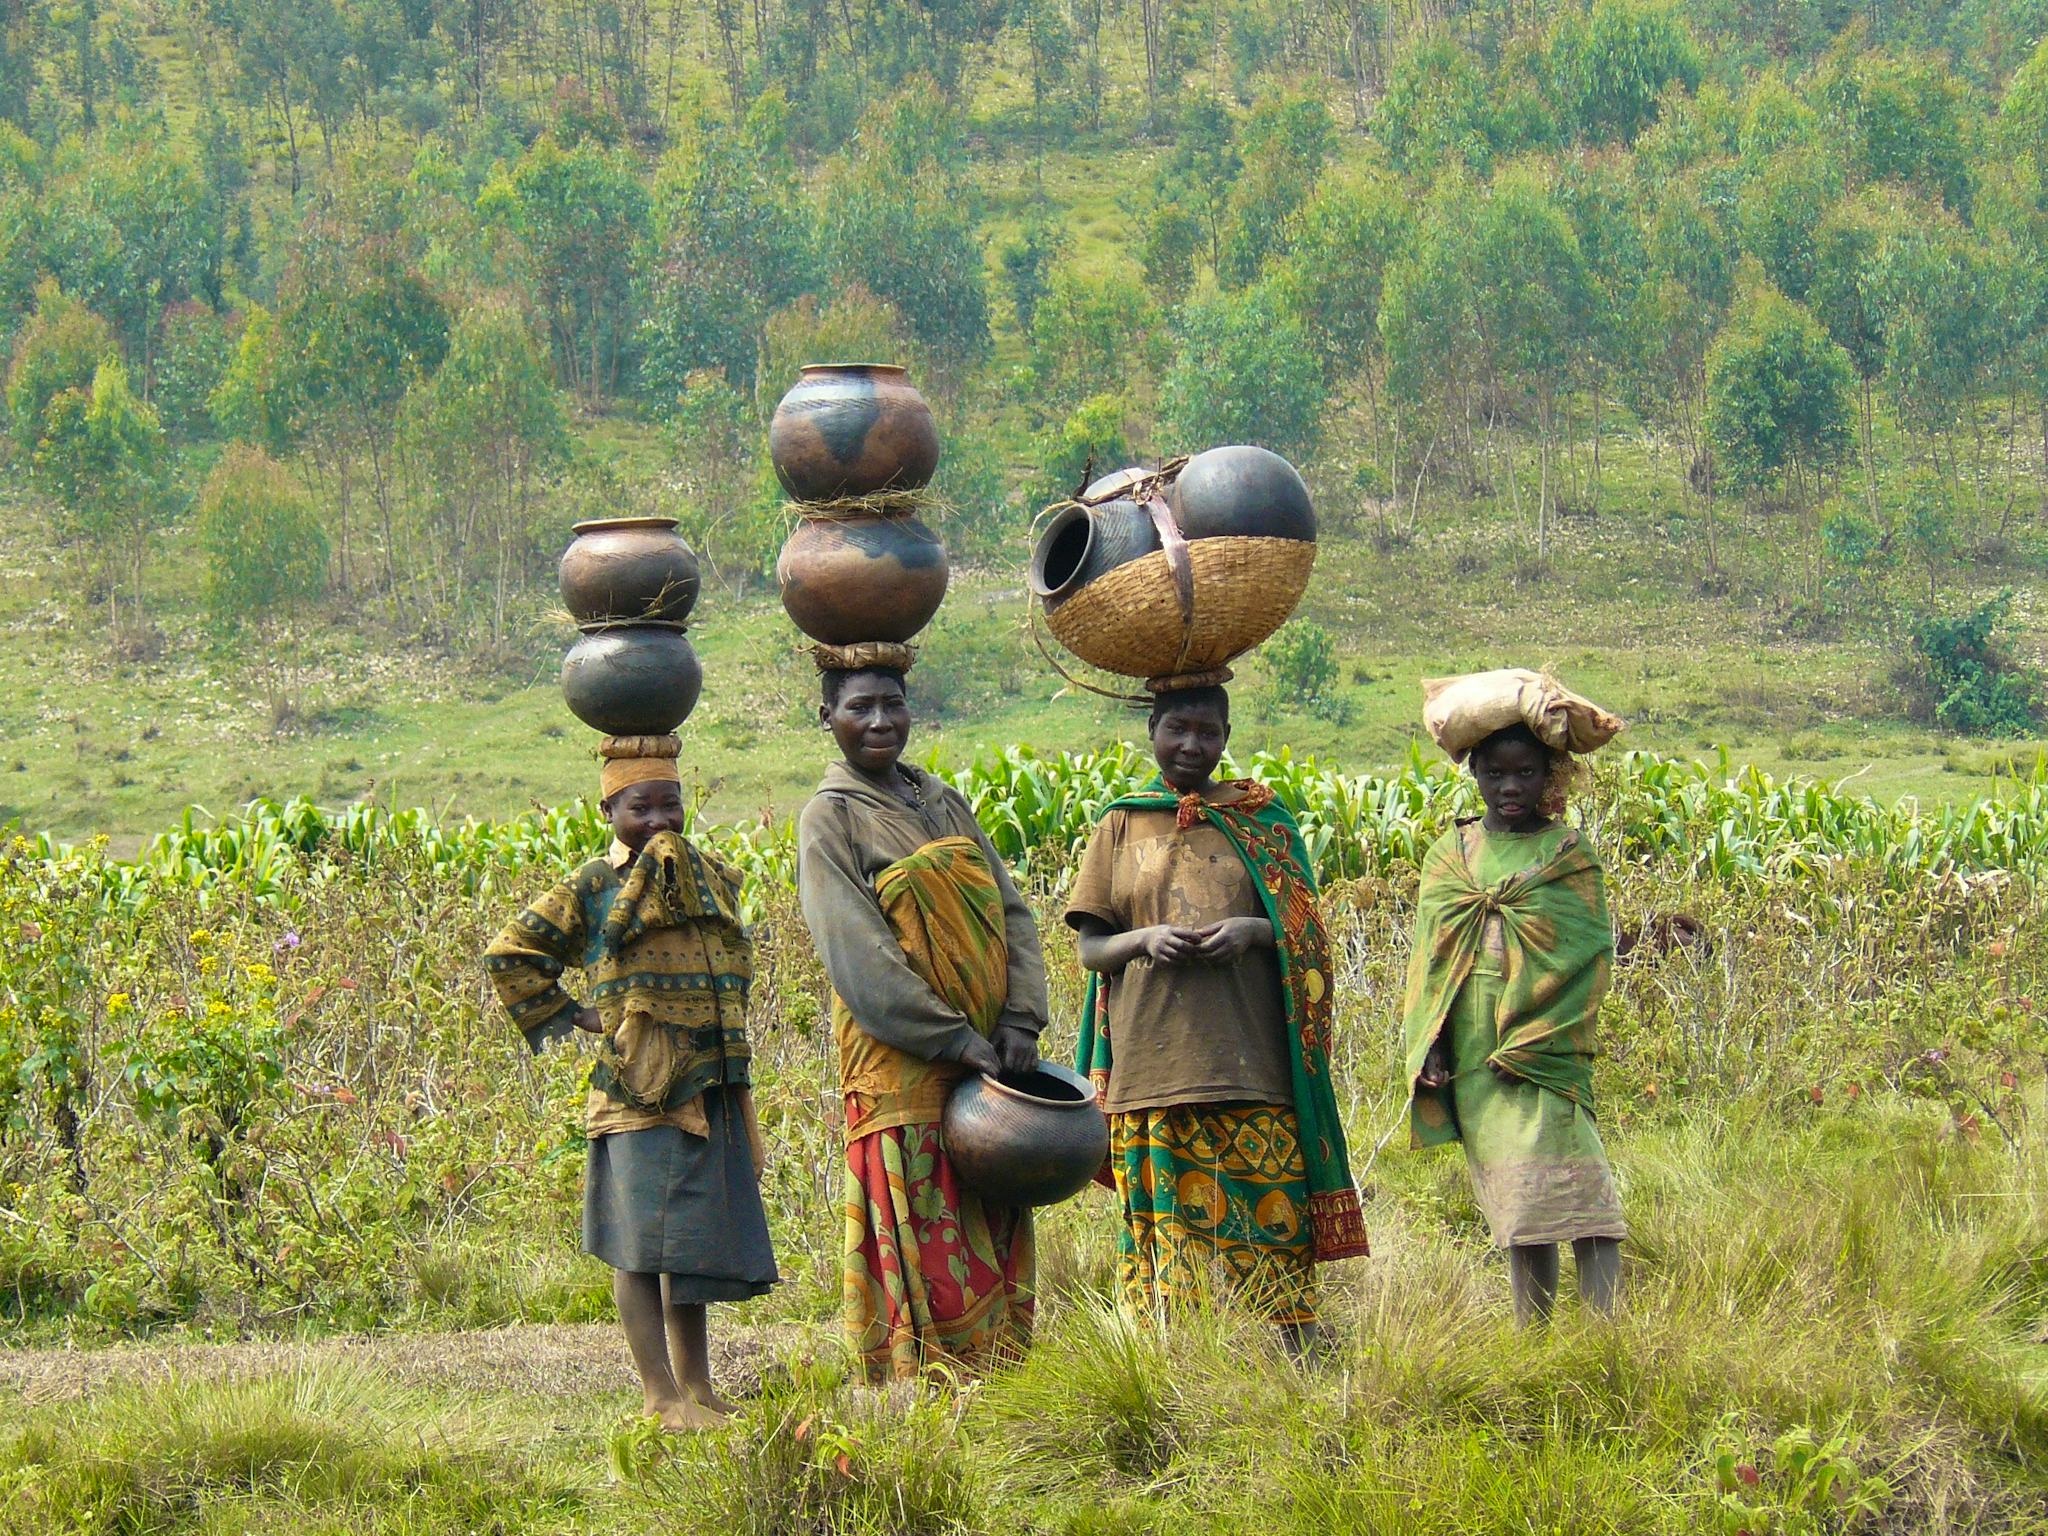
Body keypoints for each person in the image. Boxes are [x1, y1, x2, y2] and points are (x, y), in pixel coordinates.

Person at [484, 735, 775, 1430]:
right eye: (640, 806)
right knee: (641, 1245)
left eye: (670, 804)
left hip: (713, 1083)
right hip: (637, 1088)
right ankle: (658, 1394)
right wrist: (580, 1015)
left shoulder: (709, 876)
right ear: (608, 807)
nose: (658, 820)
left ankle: (698, 1389)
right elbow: (511, 953)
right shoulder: (593, 884)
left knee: (691, 1243)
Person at [1067, 683, 1368, 1353]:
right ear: (1151, 729)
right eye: (1178, 728)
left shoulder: (1264, 821)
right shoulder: (1121, 823)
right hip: (1153, 1069)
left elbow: (1308, 934)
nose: (1191, 744)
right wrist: (1144, 941)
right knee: (1164, 1243)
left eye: (1208, 731)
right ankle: (1173, 1378)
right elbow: (1091, 948)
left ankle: (1300, 1364)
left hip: (1250, 1065)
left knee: (1276, 1228)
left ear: (1227, 734)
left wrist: (1255, 932)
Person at [796, 656, 1048, 1381]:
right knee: (923, 1209)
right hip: (904, 1060)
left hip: (992, 1057)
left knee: (989, 1200)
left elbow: (1011, 912)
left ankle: (1002, 1372)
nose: (880, 723)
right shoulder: (831, 817)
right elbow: (859, 956)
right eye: (859, 709)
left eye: (893, 706)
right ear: (827, 720)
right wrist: (953, 1039)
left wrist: (1021, 1022)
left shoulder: (942, 800)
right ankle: (930, 1377)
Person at [1404, 713, 1626, 1325]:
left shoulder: (1567, 854)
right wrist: (1431, 1046)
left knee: (1584, 1189)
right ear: (1473, 771)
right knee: (1518, 1203)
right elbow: (1430, 962)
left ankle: (1606, 1337)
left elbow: (1587, 953)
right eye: (1495, 772)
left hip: (1544, 1044)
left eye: (1526, 772)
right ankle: (1534, 1339)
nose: (1510, 786)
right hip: (1475, 1047)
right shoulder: (1451, 854)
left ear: (1549, 775)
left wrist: (1535, 1028)